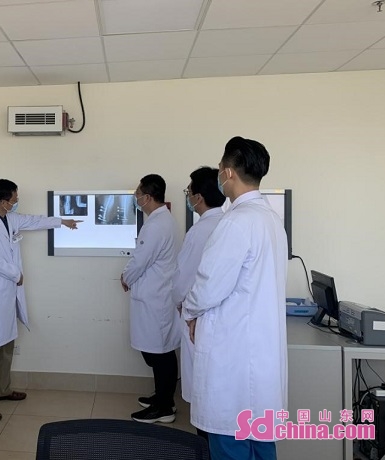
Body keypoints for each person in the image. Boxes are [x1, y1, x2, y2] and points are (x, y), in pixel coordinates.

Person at [182, 137, 288, 460]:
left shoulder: (237, 221)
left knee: (231, 442)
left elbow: (208, 285)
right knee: (260, 443)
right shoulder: (271, 220)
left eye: (219, 169)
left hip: (234, 355)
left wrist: (189, 312)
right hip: (257, 354)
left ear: (228, 172)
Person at [0, 179, 81, 422]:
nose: (17, 202)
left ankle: (1, 390)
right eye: (14, 199)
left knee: (6, 346)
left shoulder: (9, 218)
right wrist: (16, 274)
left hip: (8, 293)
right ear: (3, 201)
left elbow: (34, 220)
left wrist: (62, 222)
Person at [120, 174, 180, 424]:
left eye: (137, 194)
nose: (136, 198)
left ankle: (164, 407)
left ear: (147, 196)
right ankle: (163, 398)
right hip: (158, 296)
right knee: (159, 351)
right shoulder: (163, 220)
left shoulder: (156, 225)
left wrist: (125, 277)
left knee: (160, 353)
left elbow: (140, 261)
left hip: (156, 298)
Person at [172, 167, 225, 439]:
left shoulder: (200, 229)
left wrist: (179, 302)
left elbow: (183, 276)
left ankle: (205, 444)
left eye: (189, 191)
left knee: (202, 390)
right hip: (220, 320)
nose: (188, 196)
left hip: (197, 317)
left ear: (198, 197)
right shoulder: (227, 223)